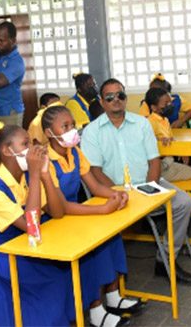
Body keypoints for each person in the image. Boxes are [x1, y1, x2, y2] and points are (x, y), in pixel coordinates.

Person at [81, 78, 191, 286]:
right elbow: (95, 171)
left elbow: (154, 161)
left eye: (121, 95)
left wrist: (149, 188)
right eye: (109, 97)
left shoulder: (142, 124)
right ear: (101, 101)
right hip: (113, 190)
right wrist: (117, 192)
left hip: (148, 183)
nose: (116, 100)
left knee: (183, 202)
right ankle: (110, 282)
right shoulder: (92, 131)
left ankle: (165, 259)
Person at [42, 105, 143, 327]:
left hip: (75, 213)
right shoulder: (45, 162)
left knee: (111, 236)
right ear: (50, 133)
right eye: (65, 126)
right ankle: (96, 311)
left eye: (72, 125)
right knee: (89, 249)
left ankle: (113, 296)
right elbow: (59, 207)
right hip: (55, 220)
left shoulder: (74, 152)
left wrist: (117, 194)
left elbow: (95, 186)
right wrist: (101, 209)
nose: (71, 130)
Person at [0, 126, 73, 327]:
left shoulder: (23, 177)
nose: (32, 149)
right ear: (7, 151)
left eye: (32, 142)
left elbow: (57, 212)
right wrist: (34, 176)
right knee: (45, 280)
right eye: (25, 144)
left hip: (20, 241)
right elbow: (32, 226)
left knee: (60, 271)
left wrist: (44, 174)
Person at [144, 87, 191, 183]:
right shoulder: (150, 123)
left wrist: (181, 152)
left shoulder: (165, 120)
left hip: (169, 162)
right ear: (154, 107)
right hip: (160, 167)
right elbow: (147, 145)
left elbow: (171, 139)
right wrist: (158, 142)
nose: (170, 105)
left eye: (170, 102)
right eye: (166, 104)